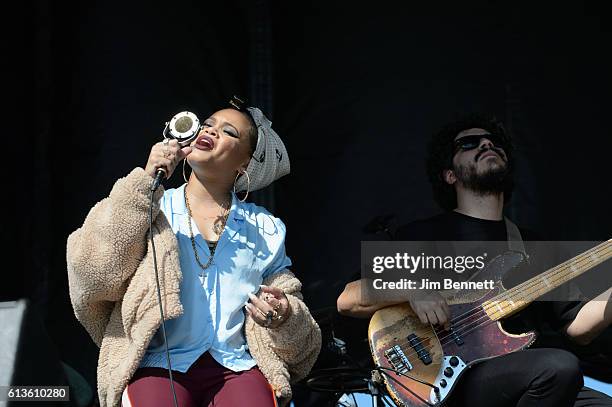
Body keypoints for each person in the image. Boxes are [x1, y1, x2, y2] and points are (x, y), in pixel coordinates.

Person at [337, 114, 612, 407]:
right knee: (559, 367)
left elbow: (577, 328)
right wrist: (413, 290)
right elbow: (348, 298)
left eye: (494, 143)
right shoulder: (424, 235)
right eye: (469, 143)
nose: (486, 144)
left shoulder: (533, 245)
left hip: (529, 376)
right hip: (455, 380)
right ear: (449, 175)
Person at [67, 100, 321, 407]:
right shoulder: (152, 205)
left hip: (236, 364)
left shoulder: (264, 228)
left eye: (228, 132)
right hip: (160, 362)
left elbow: (290, 305)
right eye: (209, 124)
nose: (211, 131)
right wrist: (146, 180)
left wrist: (282, 313)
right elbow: (92, 271)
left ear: (245, 164)